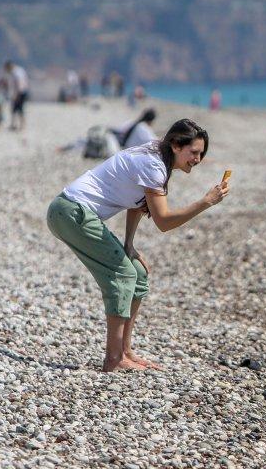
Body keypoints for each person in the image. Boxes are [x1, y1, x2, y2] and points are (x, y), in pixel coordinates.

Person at [46, 119, 230, 372]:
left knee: (138, 273)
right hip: (71, 212)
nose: (198, 159)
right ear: (176, 145)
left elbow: (137, 203)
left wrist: (129, 244)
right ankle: (114, 359)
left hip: (72, 213)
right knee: (123, 274)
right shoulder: (154, 165)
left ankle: (125, 350)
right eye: (194, 152)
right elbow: (163, 222)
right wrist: (205, 202)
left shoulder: (158, 157)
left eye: (201, 154)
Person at [3, 60, 30, 131]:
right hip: (23, 91)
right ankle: (16, 125)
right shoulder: (19, 70)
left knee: (18, 109)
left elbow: (19, 83)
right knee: (16, 109)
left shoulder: (16, 72)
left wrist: (16, 95)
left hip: (20, 92)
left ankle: (20, 125)